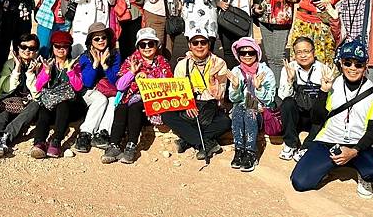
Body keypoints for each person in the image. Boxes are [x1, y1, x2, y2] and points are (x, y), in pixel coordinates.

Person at [291, 40, 373, 198]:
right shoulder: (332, 84)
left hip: (358, 144)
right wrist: (323, 92)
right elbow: (316, 119)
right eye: (347, 63)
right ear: (341, 63)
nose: (352, 68)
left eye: (358, 64)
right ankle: (330, 166)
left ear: (365, 66)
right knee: (300, 182)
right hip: (328, 141)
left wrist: (354, 151)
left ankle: (359, 170)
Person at [102, 28, 172, 164]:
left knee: (135, 107)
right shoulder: (131, 61)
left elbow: (168, 86)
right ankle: (114, 145)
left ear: (156, 45)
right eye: (142, 45)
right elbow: (120, 86)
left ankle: (131, 145)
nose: (147, 48)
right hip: (130, 97)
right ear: (138, 47)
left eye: (150, 44)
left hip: (152, 101)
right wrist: (132, 73)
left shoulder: (162, 63)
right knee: (121, 107)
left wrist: (150, 82)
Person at [162, 31, 230, 160]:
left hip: (210, 106)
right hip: (189, 106)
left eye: (203, 42)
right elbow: (178, 92)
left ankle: (188, 140)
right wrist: (188, 104)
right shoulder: (182, 65)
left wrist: (212, 81)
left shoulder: (219, 63)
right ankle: (206, 143)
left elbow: (220, 95)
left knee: (225, 123)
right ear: (190, 45)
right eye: (195, 43)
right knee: (167, 115)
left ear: (209, 44)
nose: (199, 46)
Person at [0, 33, 41, 157]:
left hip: (27, 103)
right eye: (23, 47)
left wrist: (31, 74)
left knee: (36, 104)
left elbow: (37, 94)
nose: (27, 50)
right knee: (2, 115)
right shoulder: (10, 64)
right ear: (17, 48)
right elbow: (6, 88)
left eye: (31, 48)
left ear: (36, 50)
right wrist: (17, 69)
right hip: (9, 100)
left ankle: (6, 136)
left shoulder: (39, 66)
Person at [30, 31, 84, 159]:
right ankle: (39, 143)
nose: (61, 49)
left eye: (64, 46)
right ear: (52, 47)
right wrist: (46, 72)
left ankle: (56, 141)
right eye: (57, 46)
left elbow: (78, 87)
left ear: (69, 48)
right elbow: (38, 86)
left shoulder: (74, 64)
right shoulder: (48, 64)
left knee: (63, 104)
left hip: (69, 108)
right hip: (51, 106)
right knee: (43, 111)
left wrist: (71, 72)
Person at [253, 0, 300, 86]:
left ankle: (280, 88)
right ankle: (273, 87)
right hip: (264, 20)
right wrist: (255, 7)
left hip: (281, 20)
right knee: (270, 56)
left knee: (278, 57)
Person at [227, 37, 276, 172]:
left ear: (257, 53)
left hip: (260, 110)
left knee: (250, 110)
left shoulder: (265, 72)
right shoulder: (236, 71)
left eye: (251, 52)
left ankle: (250, 152)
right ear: (238, 55)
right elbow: (234, 99)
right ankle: (239, 150)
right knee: (237, 108)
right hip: (242, 108)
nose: (247, 55)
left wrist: (259, 88)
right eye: (243, 53)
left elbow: (269, 100)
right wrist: (235, 87)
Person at [278, 37, 328, 161]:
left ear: (313, 52)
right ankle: (290, 144)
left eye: (306, 51)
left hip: (315, 117)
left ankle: (307, 146)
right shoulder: (289, 68)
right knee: (287, 103)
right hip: (298, 116)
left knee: (323, 108)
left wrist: (324, 88)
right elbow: (283, 97)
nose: (303, 55)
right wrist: (290, 81)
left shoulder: (323, 69)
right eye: (299, 52)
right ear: (294, 54)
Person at [75, 23, 122, 153]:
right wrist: (95, 64)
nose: (101, 40)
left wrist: (105, 66)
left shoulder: (115, 55)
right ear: (91, 41)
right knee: (101, 99)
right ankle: (85, 133)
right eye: (96, 38)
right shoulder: (85, 57)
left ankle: (103, 132)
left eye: (103, 37)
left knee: (114, 100)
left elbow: (115, 81)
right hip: (89, 90)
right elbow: (87, 83)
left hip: (108, 89)